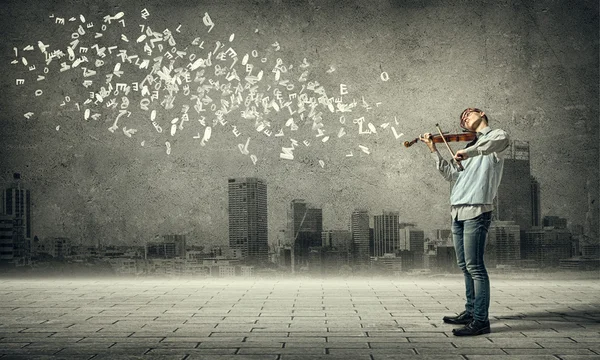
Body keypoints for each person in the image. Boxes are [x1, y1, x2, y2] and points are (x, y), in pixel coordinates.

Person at [419, 108, 509, 336]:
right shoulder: (467, 148)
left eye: (468, 114)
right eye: (461, 119)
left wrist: (469, 153)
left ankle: (481, 321)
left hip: (477, 211)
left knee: (476, 267)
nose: (464, 118)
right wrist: (433, 150)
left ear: (482, 113)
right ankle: (470, 312)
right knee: (465, 266)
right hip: (457, 212)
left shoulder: (496, 139)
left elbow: (496, 142)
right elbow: (451, 175)